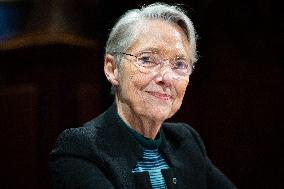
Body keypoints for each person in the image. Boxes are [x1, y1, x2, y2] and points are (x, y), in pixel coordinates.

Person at [49, 2, 237, 189]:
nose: (166, 78)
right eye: (147, 59)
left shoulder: (186, 141)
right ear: (112, 69)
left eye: (179, 64)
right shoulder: (80, 148)